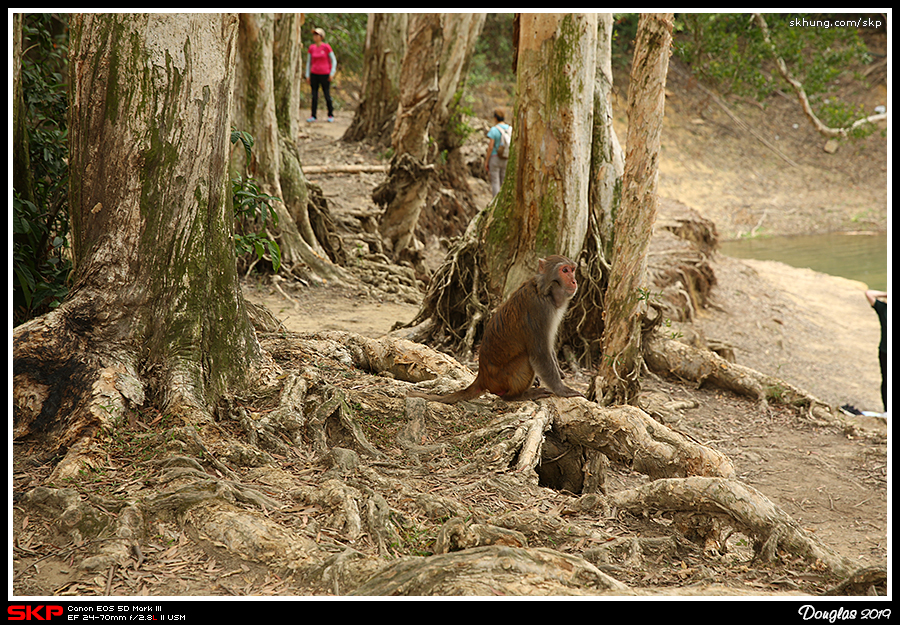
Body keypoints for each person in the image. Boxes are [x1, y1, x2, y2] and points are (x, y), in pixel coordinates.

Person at [306, 27, 336, 123]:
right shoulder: (312, 48)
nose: (315, 37)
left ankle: (330, 114)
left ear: (321, 37)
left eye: (317, 35)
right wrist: (307, 75)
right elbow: (309, 62)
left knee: (326, 94)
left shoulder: (326, 47)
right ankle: (313, 115)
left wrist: (332, 73)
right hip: (314, 74)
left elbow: (333, 60)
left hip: (325, 74)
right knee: (314, 95)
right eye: (314, 35)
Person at [865, 289, 888, 412]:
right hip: (885, 351)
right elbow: (868, 293)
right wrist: (886, 294)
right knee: (886, 380)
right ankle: (887, 410)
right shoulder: (883, 309)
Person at [484, 108, 511, 196]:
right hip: (506, 157)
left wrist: (487, 161)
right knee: (503, 182)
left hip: (495, 158)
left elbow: (490, 147)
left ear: (495, 117)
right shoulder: (510, 129)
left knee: (495, 182)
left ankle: (495, 203)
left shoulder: (494, 130)